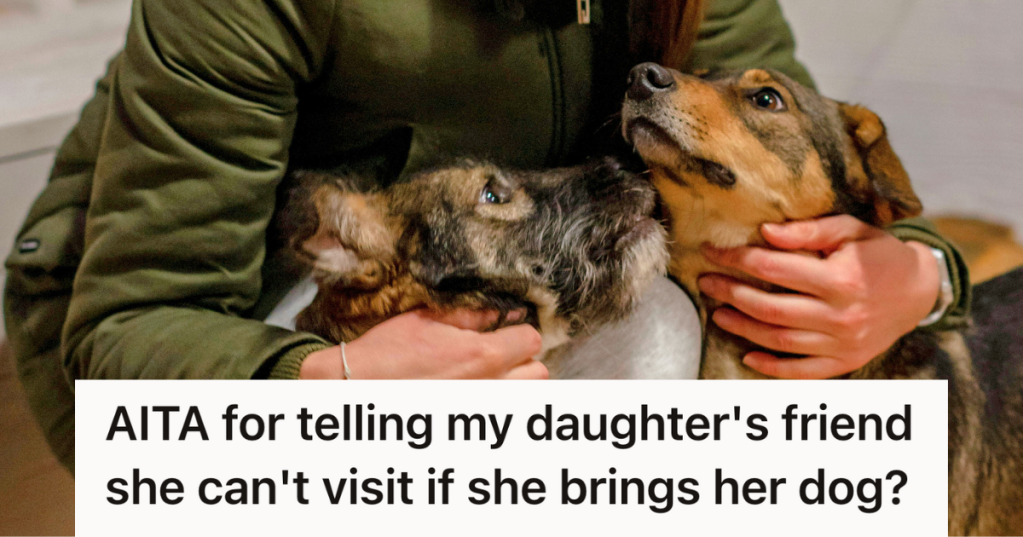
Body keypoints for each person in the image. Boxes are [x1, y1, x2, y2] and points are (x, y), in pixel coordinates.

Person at [3, 0, 969, 472]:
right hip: (232, 330)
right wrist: (327, 382)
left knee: (679, 344)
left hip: (522, 268)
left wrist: (919, 270)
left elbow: (806, 152)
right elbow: (125, 331)